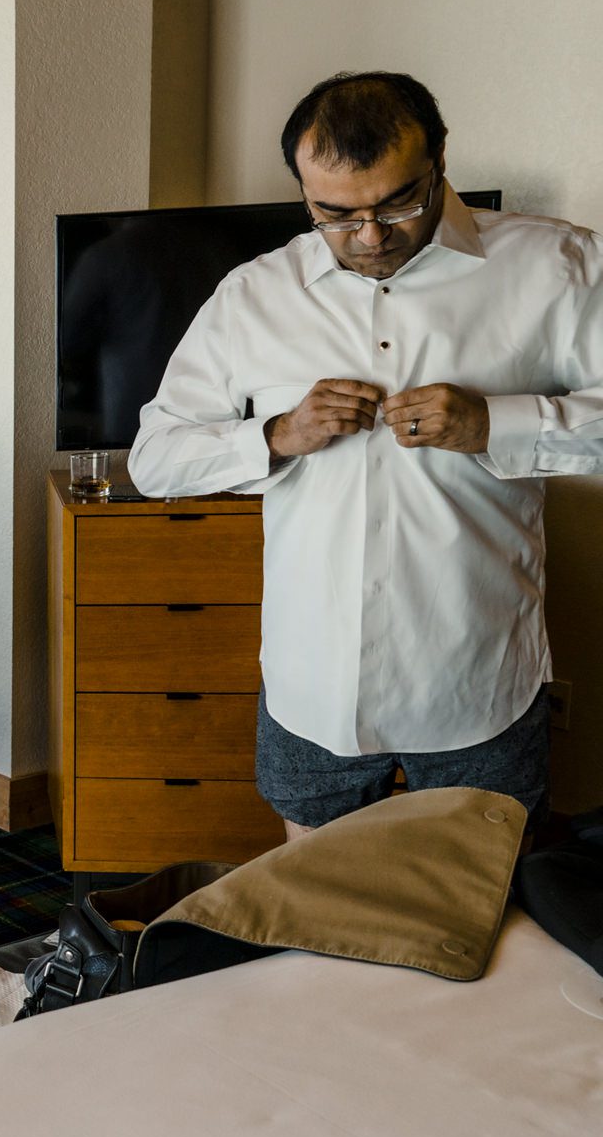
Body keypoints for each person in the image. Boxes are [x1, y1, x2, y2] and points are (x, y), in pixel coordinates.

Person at [128, 71, 603, 842]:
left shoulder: (555, 268)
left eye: (398, 203)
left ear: (440, 159)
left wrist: (497, 422)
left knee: (485, 920)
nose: (371, 236)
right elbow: (156, 459)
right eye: (335, 214)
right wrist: (276, 436)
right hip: (311, 690)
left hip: (477, 682)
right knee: (312, 922)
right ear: (303, 192)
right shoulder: (252, 296)